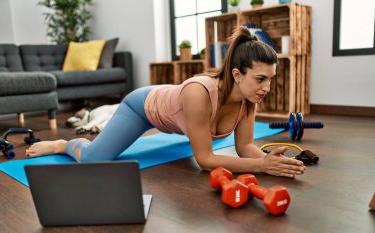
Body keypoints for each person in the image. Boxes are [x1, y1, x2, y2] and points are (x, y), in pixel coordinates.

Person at [26, 26, 306, 178]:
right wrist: (261, 166)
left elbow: (245, 147)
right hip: (143, 106)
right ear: (237, 74)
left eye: (270, 79)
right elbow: (205, 160)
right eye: (260, 79)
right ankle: (64, 145)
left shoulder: (249, 99)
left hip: (174, 105)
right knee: (94, 159)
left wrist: (274, 163)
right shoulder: (199, 93)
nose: (266, 88)